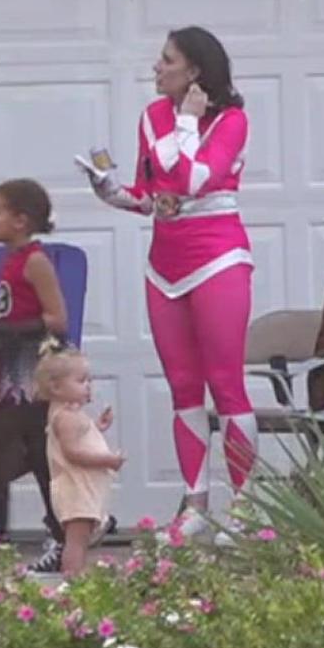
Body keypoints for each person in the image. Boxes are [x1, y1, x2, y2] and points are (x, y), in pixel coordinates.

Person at [82, 26, 255, 539]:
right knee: (183, 389)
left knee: (226, 385)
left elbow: (193, 179)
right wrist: (112, 192)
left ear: (195, 72)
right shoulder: (152, 116)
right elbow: (156, 191)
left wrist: (186, 121)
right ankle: (195, 505)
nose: (157, 68)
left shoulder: (231, 120)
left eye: (167, 61)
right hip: (166, 264)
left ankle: (244, 507)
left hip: (218, 259)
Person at [0, 179, 74, 572]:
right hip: (13, 372)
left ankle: (2, 542)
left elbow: (57, 320)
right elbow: (12, 311)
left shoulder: (34, 260)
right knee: (34, 454)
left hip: (35, 374)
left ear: (20, 221)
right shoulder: (9, 261)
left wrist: (5, 331)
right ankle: (57, 534)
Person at [39, 348, 121, 578]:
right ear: (56, 387)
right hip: (75, 489)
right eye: (81, 381)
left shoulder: (69, 414)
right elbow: (73, 452)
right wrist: (108, 460)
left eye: (89, 381)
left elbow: (79, 438)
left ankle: (76, 575)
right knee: (76, 541)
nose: (88, 386)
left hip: (78, 488)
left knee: (80, 539)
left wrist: (96, 427)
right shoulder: (65, 417)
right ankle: (72, 578)